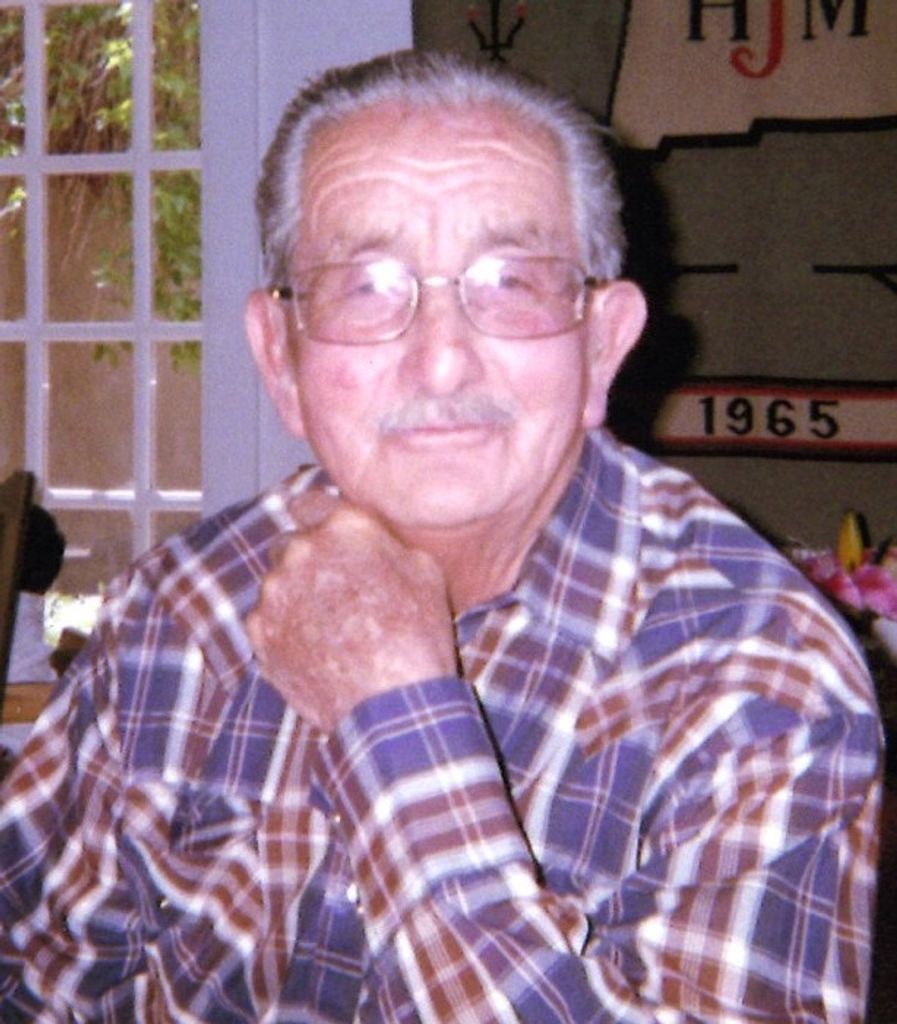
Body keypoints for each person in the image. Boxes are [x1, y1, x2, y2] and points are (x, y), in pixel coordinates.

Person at [0, 51, 881, 1022]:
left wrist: (395, 718)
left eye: (511, 280)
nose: (442, 359)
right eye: (366, 286)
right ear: (280, 358)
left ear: (601, 347)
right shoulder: (185, 606)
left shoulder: (765, 682)